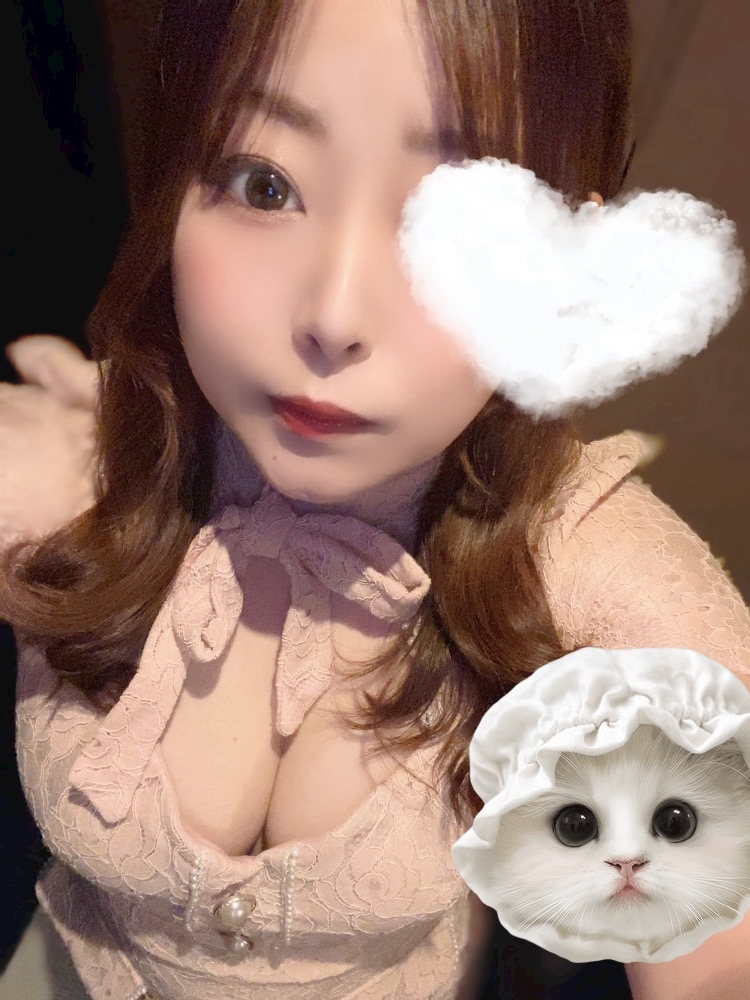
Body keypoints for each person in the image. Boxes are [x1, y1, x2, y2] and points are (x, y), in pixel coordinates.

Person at [1, 0, 749, 997]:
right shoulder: (96, 456)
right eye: (265, 183)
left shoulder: (584, 560)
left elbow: (719, 938)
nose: (334, 313)